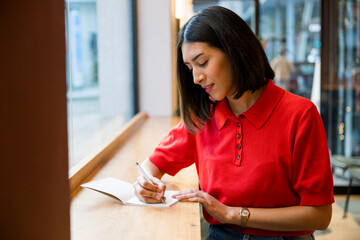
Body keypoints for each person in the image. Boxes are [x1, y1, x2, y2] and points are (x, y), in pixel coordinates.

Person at [133, 6, 334, 240]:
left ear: (233, 50)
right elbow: (152, 164)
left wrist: (231, 214)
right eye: (190, 68)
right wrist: (144, 183)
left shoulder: (301, 114)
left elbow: (319, 215)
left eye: (203, 62)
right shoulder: (203, 116)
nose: (196, 78)